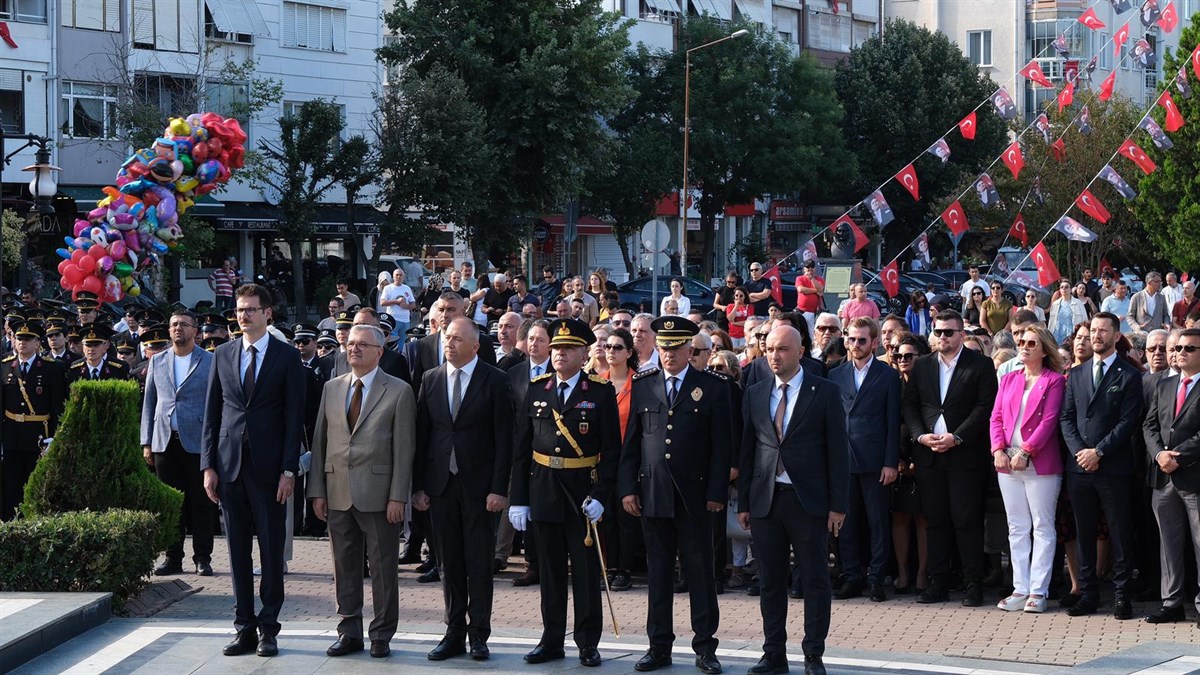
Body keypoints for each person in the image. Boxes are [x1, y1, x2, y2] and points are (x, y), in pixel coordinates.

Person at [620, 317, 731, 674]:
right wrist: (628, 488)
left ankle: (705, 647)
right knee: (659, 574)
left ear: (690, 349)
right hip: (653, 492)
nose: (668, 354)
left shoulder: (712, 387)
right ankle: (658, 646)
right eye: (663, 347)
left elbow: (721, 446)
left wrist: (716, 492)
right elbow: (633, 443)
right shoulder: (644, 384)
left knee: (700, 572)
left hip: (695, 495)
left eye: (676, 347)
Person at [507, 318, 620, 668]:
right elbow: (521, 448)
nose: (559, 354)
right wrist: (519, 498)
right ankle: (551, 639)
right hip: (544, 490)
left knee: (585, 573)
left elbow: (611, 451)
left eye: (567, 349)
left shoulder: (599, 392)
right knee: (550, 571)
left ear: (584, 353)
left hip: (581, 492)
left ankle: (587, 642)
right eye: (556, 348)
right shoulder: (537, 388)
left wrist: (602, 495)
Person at [200, 284, 305, 657]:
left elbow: (294, 418)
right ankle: (244, 626)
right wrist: (208, 465)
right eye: (239, 310)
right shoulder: (223, 354)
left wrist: (289, 470)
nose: (243, 315)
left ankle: (269, 629)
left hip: (270, 468)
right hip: (229, 467)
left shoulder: (286, 356)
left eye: (250, 309)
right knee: (237, 552)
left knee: (272, 552)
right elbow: (213, 413)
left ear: (267, 313)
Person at [736, 325, 848, 675]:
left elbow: (838, 452)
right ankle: (774, 654)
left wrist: (838, 505)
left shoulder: (825, 392)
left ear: (801, 351)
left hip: (809, 501)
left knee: (815, 580)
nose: (774, 355)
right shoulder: (755, 393)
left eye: (782, 349)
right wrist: (743, 503)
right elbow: (748, 449)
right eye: (768, 348)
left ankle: (813, 654)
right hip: (767, 501)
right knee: (770, 582)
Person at [308, 324, 415, 659]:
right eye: (350, 344)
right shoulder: (332, 388)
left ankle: (381, 634)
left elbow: (404, 448)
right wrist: (317, 491)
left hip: (380, 495)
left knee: (383, 569)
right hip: (337, 491)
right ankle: (349, 630)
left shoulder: (398, 391)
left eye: (362, 345)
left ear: (379, 351)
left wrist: (398, 496)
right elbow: (320, 442)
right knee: (344, 565)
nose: (353, 349)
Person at [410, 317, 512, 661]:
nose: (449, 344)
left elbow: (504, 439)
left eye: (456, 339)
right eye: (446, 337)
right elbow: (423, 435)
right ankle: (453, 631)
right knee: (448, 562)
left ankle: (478, 634)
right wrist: (419, 486)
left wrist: (499, 488)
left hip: (480, 488)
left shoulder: (495, 380)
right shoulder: (431, 378)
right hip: (441, 486)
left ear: (475, 345)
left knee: (478, 563)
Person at [901, 310, 999, 607]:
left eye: (948, 332)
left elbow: (985, 407)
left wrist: (957, 437)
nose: (942, 337)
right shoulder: (923, 366)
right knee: (935, 521)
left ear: (961, 335)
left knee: (967, 522)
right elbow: (911, 405)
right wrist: (920, 436)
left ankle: (972, 585)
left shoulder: (980, 365)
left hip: (965, 457)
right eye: (938, 332)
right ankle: (938, 583)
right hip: (929, 455)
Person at [1059, 312, 1143, 620]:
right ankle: (1088, 593)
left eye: (1103, 330)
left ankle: (1121, 595)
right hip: (1079, 468)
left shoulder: (1129, 375)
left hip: (1113, 467)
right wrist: (1081, 452)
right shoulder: (1076, 374)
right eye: (1093, 330)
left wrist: (1100, 452)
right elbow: (1066, 419)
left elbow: (1128, 421)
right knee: (1084, 533)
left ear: (1116, 336)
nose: (1096, 335)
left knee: (1119, 531)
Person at [989, 326, 1066, 614]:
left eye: (1031, 343)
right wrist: (998, 449)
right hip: (1007, 463)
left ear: (1044, 349)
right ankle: (1020, 587)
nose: (1024, 346)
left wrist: (1026, 451)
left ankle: (1038, 591)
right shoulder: (1008, 379)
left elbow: (1049, 421)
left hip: (1040, 464)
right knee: (1017, 527)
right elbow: (996, 417)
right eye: (1021, 341)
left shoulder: (1055, 381)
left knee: (1042, 527)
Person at [829, 317, 901, 603]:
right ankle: (852, 575)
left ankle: (876, 578)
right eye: (851, 339)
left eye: (861, 340)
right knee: (846, 522)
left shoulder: (887, 375)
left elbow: (893, 421)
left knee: (877, 522)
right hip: (844, 460)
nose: (855, 345)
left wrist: (890, 462)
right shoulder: (835, 374)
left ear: (874, 342)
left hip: (874, 461)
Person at [140, 310, 217, 577]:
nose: (177, 329)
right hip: (165, 443)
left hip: (198, 442)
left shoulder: (210, 361)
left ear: (195, 330)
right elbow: (149, 402)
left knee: (201, 503)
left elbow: (217, 403)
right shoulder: (158, 361)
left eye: (184, 325)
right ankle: (173, 557)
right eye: (173, 325)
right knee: (172, 503)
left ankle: (202, 557)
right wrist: (146, 441)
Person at [1143, 328, 1200, 625]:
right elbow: (1149, 426)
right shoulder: (1164, 386)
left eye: (1189, 348)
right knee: (1168, 542)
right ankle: (1172, 602)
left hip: (1193, 477)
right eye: (1178, 348)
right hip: (1163, 477)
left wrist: (1177, 456)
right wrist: (1159, 455)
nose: (1180, 353)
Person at [1, 321, 67, 520]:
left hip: (38, 437)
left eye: (28, 339)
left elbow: (58, 408)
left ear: (38, 343)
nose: (23, 343)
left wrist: (55, 438)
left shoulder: (51, 369)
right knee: (10, 487)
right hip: (12, 436)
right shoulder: (5, 367)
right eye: (19, 338)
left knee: (38, 487)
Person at [888, 332, 930, 595]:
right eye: (898, 356)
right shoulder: (892, 383)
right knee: (900, 517)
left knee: (923, 519)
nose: (902, 359)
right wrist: (898, 459)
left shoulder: (929, 383)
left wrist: (917, 460)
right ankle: (903, 573)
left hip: (925, 459)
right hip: (897, 460)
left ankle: (923, 575)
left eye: (908, 356)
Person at [66, 324, 131, 384]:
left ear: (106, 345)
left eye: (96, 345)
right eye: (88, 345)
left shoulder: (117, 370)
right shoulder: (75, 370)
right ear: (83, 346)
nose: (91, 349)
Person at [379, 269, 416, 338]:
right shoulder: (388, 288)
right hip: (393, 319)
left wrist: (406, 306)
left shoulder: (407, 288)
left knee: (403, 340)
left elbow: (413, 304)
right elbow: (382, 303)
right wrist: (396, 301)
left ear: (403, 277)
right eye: (397, 275)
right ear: (393, 277)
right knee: (392, 340)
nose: (399, 277)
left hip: (405, 320)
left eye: (400, 275)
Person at [1050, 280, 1089, 345]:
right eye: (1062, 287)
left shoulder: (1078, 303)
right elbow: (1051, 322)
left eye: (1066, 287)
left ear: (1071, 290)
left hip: (1072, 335)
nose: (1064, 289)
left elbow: (1085, 319)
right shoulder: (1055, 304)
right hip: (1056, 337)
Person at [795, 260, 825, 329]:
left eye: (812, 268)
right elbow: (801, 289)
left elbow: (820, 288)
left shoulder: (819, 279)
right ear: (804, 269)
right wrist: (815, 291)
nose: (810, 270)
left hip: (814, 312)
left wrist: (812, 278)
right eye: (808, 268)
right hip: (801, 311)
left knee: (812, 332)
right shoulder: (800, 278)